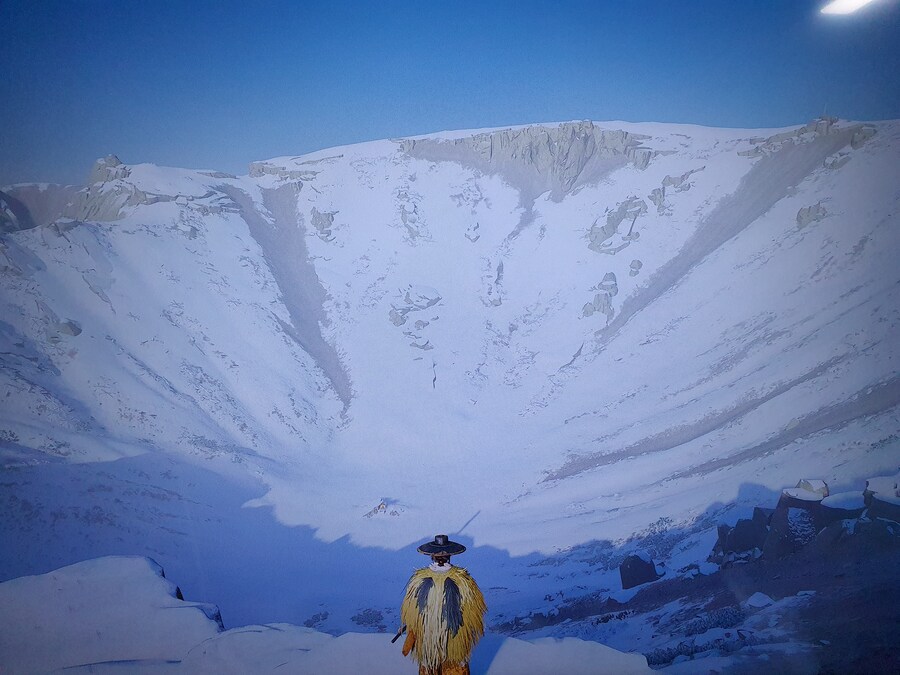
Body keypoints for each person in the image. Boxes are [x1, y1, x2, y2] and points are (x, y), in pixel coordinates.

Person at [399, 534, 487, 675]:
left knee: (453, 667)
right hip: (428, 642)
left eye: (443, 554)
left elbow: (472, 612)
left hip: (454, 641)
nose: (441, 557)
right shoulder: (421, 579)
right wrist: (413, 631)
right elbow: (412, 614)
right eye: (438, 554)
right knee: (431, 667)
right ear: (432, 556)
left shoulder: (462, 580)